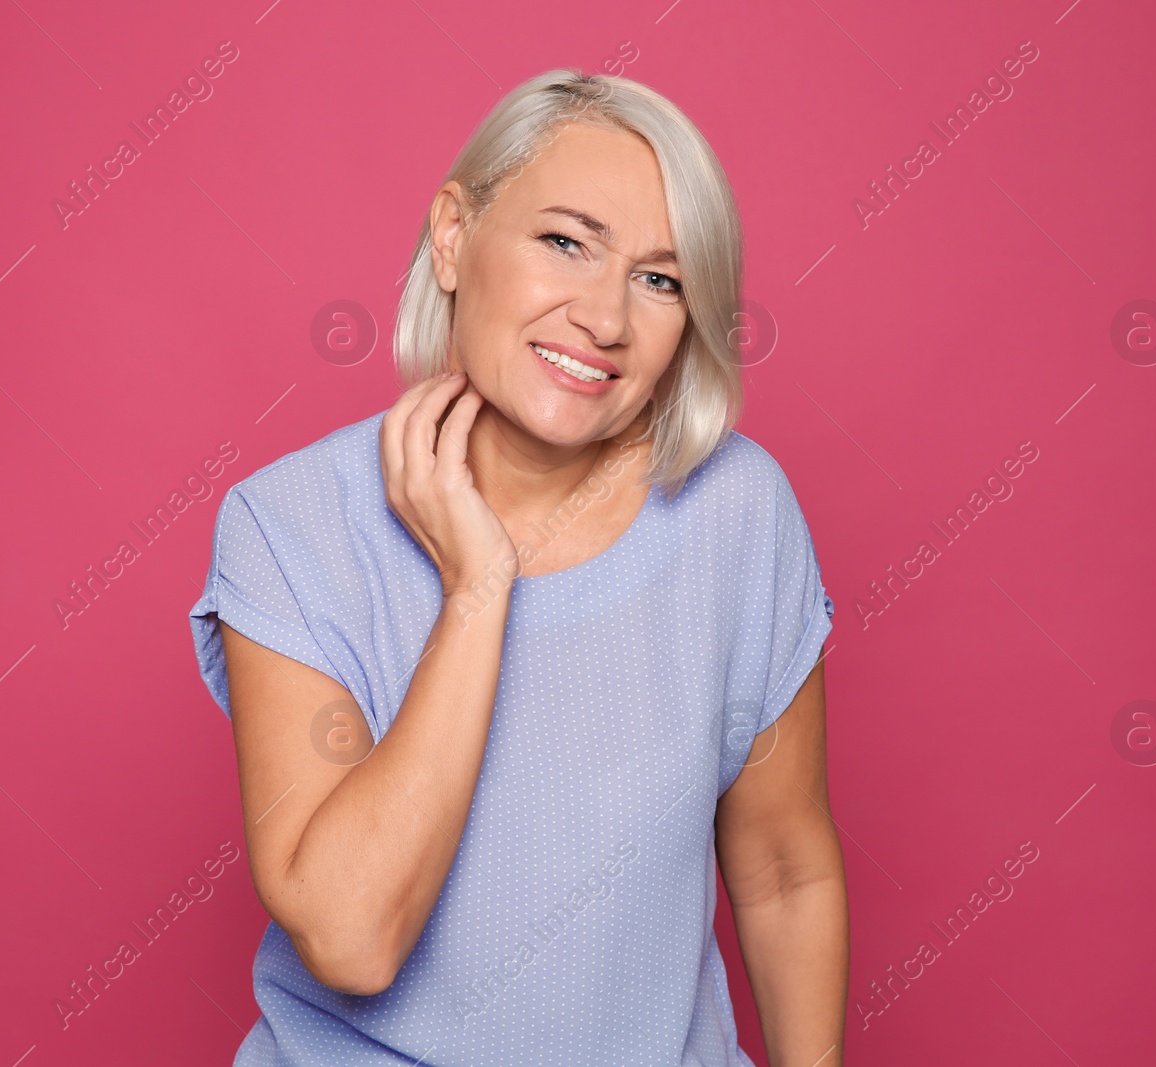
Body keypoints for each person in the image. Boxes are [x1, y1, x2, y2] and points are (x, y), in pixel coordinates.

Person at [188, 68, 846, 1066]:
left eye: (659, 278)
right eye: (565, 242)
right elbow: (352, 935)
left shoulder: (737, 512)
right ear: (453, 238)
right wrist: (477, 587)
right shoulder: (290, 528)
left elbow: (784, 867)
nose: (606, 318)